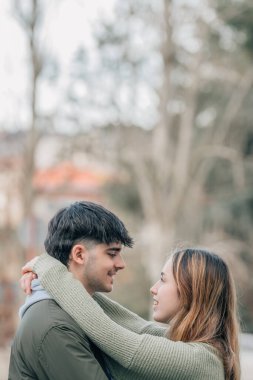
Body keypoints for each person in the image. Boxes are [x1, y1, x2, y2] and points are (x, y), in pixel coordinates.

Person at [20, 248, 240, 380]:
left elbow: (115, 337)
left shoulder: (200, 360)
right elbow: (134, 325)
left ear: (191, 291)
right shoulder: (196, 348)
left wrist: (47, 267)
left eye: (163, 280)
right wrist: (54, 282)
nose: (154, 288)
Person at [8, 201, 134, 380]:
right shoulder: (56, 326)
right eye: (112, 254)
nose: (121, 264)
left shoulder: (69, 314)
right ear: (79, 255)